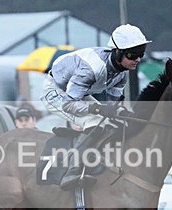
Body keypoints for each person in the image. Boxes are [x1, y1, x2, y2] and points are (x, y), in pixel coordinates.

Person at [40, 23, 148, 189]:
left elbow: (111, 106)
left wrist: (125, 114)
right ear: (118, 52)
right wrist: (97, 109)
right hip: (56, 93)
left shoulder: (122, 73)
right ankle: (71, 171)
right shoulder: (91, 70)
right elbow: (69, 105)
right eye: (133, 55)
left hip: (78, 93)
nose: (138, 59)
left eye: (141, 54)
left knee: (112, 122)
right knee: (93, 121)